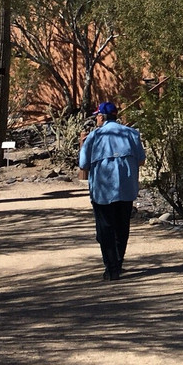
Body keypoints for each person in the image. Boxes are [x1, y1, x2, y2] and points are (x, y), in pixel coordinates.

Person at [78, 102, 146, 281]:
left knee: (105, 229)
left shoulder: (93, 137)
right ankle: (118, 262)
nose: (96, 119)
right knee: (122, 227)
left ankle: (111, 268)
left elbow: (83, 165)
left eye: (97, 116)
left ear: (101, 117)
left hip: (102, 191)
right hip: (126, 189)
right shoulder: (132, 134)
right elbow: (141, 160)